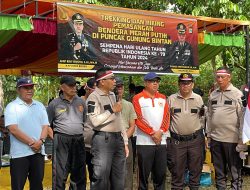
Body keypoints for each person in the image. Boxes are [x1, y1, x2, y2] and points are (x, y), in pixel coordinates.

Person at [86, 67, 129, 190]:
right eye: (112, 78)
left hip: (118, 139)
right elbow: (94, 121)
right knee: (101, 178)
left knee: (119, 178)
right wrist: (111, 110)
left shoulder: (113, 95)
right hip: (103, 140)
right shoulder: (93, 97)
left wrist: (125, 141)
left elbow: (119, 119)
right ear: (102, 81)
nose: (115, 81)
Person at [4, 77, 49, 190]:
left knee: (37, 185)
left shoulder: (39, 105)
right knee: (18, 186)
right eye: (26, 88)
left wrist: (41, 141)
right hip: (20, 154)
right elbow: (13, 129)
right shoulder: (12, 107)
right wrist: (32, 143)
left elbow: (45, 126)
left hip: (38, 153)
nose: (29, 90)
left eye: (31, 87)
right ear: (18, 90)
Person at [207, 67, 245, 189]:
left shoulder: (237, 94)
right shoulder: (213, 95)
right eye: (218, 77)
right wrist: (208, 136)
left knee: (235, 173)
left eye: (223, 77)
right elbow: (209, 116)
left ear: (229, 77)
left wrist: (241, 140)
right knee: (219, 173)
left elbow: (243, 118)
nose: (220, 79)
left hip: (232, 140)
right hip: (216, 140)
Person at [47, 75, 87, 190]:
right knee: (60, 173)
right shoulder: (54, 104)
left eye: (75, 85)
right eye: (70, 85)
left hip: (78, 140)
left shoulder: (81, 102)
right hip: (61, 140)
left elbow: (84, 121)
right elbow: (47, 125)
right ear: (62, 87)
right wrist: (54, 138)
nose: (74, 88)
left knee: (79, 172)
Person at [132, 72, 170, 190]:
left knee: (160, 175)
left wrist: (160, 132)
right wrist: (152, 133)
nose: (155, 83)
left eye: (157, 81)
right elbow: (138, 118)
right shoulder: (137, 98)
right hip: (144, 142)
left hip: (161, 141)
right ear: (146, 83)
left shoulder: (163, 98)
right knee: (143, 177)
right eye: (152, 81)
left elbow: (167, 117)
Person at [168, 73, 205, 190]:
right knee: (177, 173)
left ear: (192, 84)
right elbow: (166, 120)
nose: (185, 85)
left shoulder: (198, 99)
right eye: (182, 83)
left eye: (188, 83)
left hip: (195, 141)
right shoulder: (171, 99)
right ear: (179, 84)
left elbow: (203, 118)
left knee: (195, 172)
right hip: (177, 142)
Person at [115, 76, 137, 190]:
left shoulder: (128, 104)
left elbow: (132, 125)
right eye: (116, 87)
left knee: (127, 170)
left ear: (123, 88)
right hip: (109, 140)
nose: (118, 90)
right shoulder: (106, 103)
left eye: (120, 87)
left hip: (126, 140)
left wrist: (124, 140)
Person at [82, 77, 96, 183]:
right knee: (79, 175)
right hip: (81, 145)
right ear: (87, 89)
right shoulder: (79, 102)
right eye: (94, 90)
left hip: (97, 146)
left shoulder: (102, 101)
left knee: (95, 175)